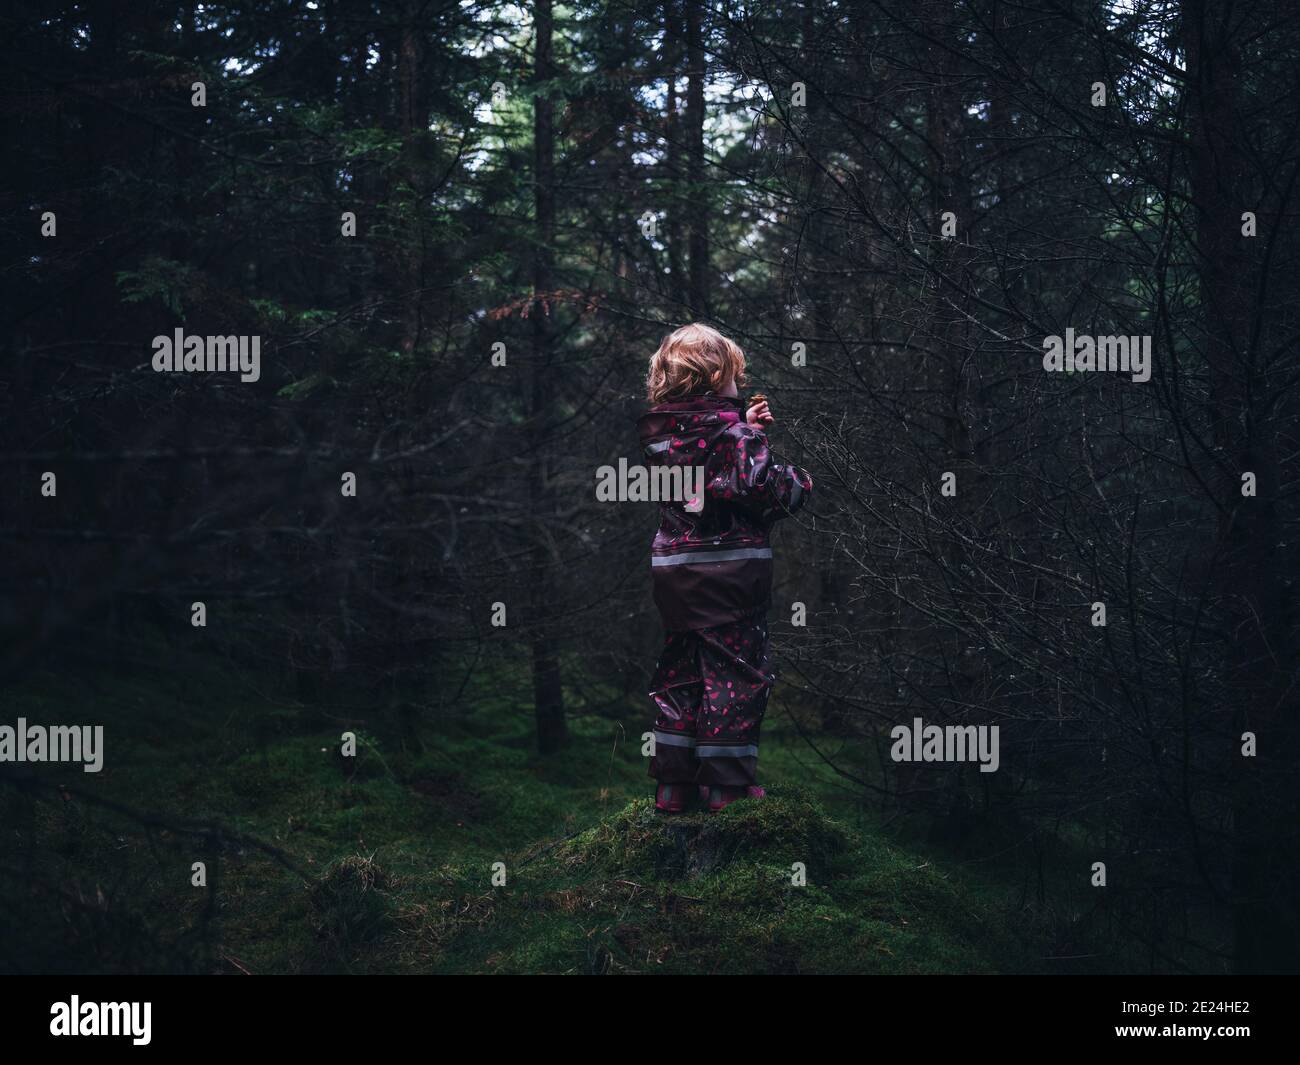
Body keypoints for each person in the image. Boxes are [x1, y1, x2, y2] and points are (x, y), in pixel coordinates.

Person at [635, 323, 813, 813]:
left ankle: (675, 785)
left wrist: (746, 431)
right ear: (715, 378)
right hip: (728, 576)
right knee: (736, 675)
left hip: (675, 573)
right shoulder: (731, 436)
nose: (739, 384)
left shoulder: (660, 440)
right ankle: (727, 788)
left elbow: (706, 481)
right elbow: (765, 491)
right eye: (734, 377)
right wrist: (798, 480)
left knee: (682, 672)